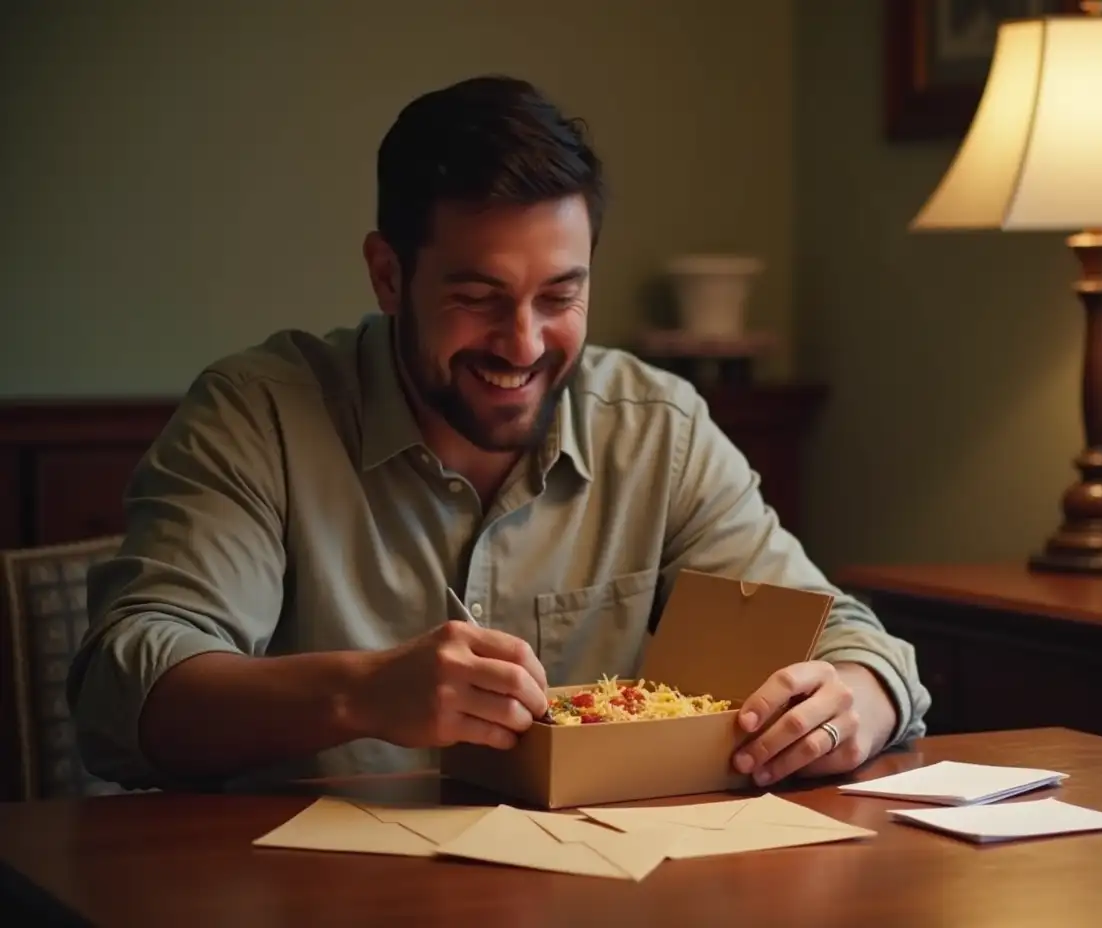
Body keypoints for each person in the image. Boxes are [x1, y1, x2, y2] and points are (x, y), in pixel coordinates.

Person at [67, 75, 931, 793]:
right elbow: (125, 689)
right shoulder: (258, 414)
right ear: (387, 274)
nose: (522, 345)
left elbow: (849, 642)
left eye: (559, 297)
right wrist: (360, 693)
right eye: (478, 297)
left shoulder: (657, 428)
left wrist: (856, 700)